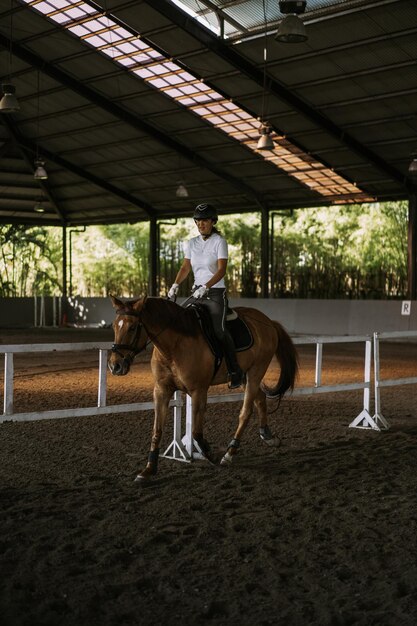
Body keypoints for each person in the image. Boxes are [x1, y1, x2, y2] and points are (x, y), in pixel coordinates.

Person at [167, 203, 246, 389]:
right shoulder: (192, 243)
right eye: (198, 221)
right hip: (196, 292)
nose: (201, 224)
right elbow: (185, 267)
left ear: (213, 221)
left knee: (219, 330)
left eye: (205, 220)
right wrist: (175, 285)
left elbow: (222, 270)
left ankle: (235, 370)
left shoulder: (220, 241)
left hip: (215, 293)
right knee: (179, 321)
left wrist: (207, 286)